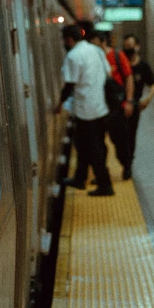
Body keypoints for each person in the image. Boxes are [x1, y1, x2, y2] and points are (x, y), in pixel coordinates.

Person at [55, 24, 114, 197]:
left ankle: (105, 185)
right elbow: (108, 73)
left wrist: (60, 103)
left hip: (85, 111)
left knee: (92, 148)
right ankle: (80, 179)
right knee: (84, 145)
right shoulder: (96, 51)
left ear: (69, 40)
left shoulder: (73, 56)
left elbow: (70, 84)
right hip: (101, 107)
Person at [90, 31, 134, 179]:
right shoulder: (92, 58)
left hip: (117, 106)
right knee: (98, 143)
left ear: (103, 42)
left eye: (95, 43)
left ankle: (126, 166)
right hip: (99, 106)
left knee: (119, 140)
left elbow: (128, 78)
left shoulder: (117, 56)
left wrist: (129, 101)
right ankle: (102, 175)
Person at [122, 34, 154, 166]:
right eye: (126, 47)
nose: (128, 49)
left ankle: (128, 163)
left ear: (138, 47)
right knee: (120, 135)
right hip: (120, 105)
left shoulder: (143, 66)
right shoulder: (122, 62)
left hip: (135, 105)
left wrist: (147, 99)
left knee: (131, 134)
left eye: (131, 47)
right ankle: (124, 159)